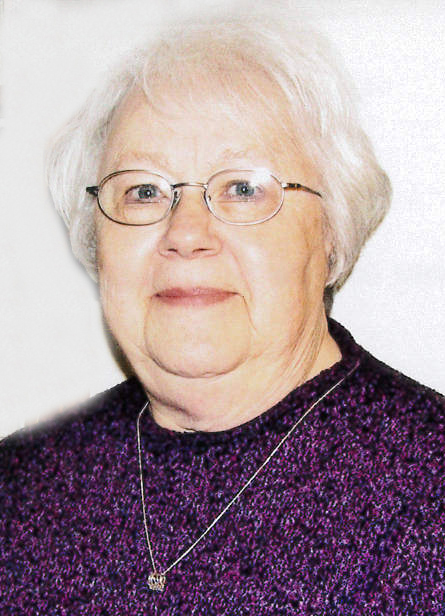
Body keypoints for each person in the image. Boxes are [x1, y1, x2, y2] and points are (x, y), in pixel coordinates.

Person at [1, 8, 443, 615]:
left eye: (242, 188)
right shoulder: (19, 487)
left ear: (332, 233)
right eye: (144, 191)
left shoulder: (428, 490)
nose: (185, 233)